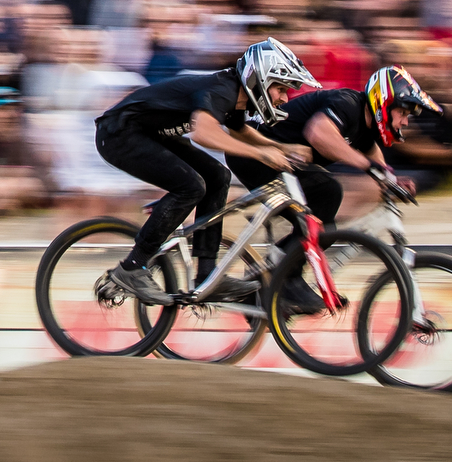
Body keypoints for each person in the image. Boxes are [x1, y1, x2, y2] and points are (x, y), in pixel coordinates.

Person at [94, 38, 315, 305]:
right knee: (191, 187)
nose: (283, 98)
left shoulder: (235, 94)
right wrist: (261, 154)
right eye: (280, 89)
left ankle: (207, 274)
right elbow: (203, 133)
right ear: (260, 80)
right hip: (119, 134)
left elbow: (239, 131)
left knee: (218, 177)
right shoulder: (223, 89)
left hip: (149, 135)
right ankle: (132, 268)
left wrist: (280, 147)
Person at [252, 65, 437, 304]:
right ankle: (285, 281)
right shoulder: (348, 103)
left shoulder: (366, 128)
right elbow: (318, 133)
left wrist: (392, 181)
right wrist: (368, 167)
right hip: (256, 155)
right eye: (403, 113)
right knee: (328, 194)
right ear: (384, 103)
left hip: (281, 164)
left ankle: (274, 277)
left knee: (324, 224)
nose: (406, 122)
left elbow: (377, 163)